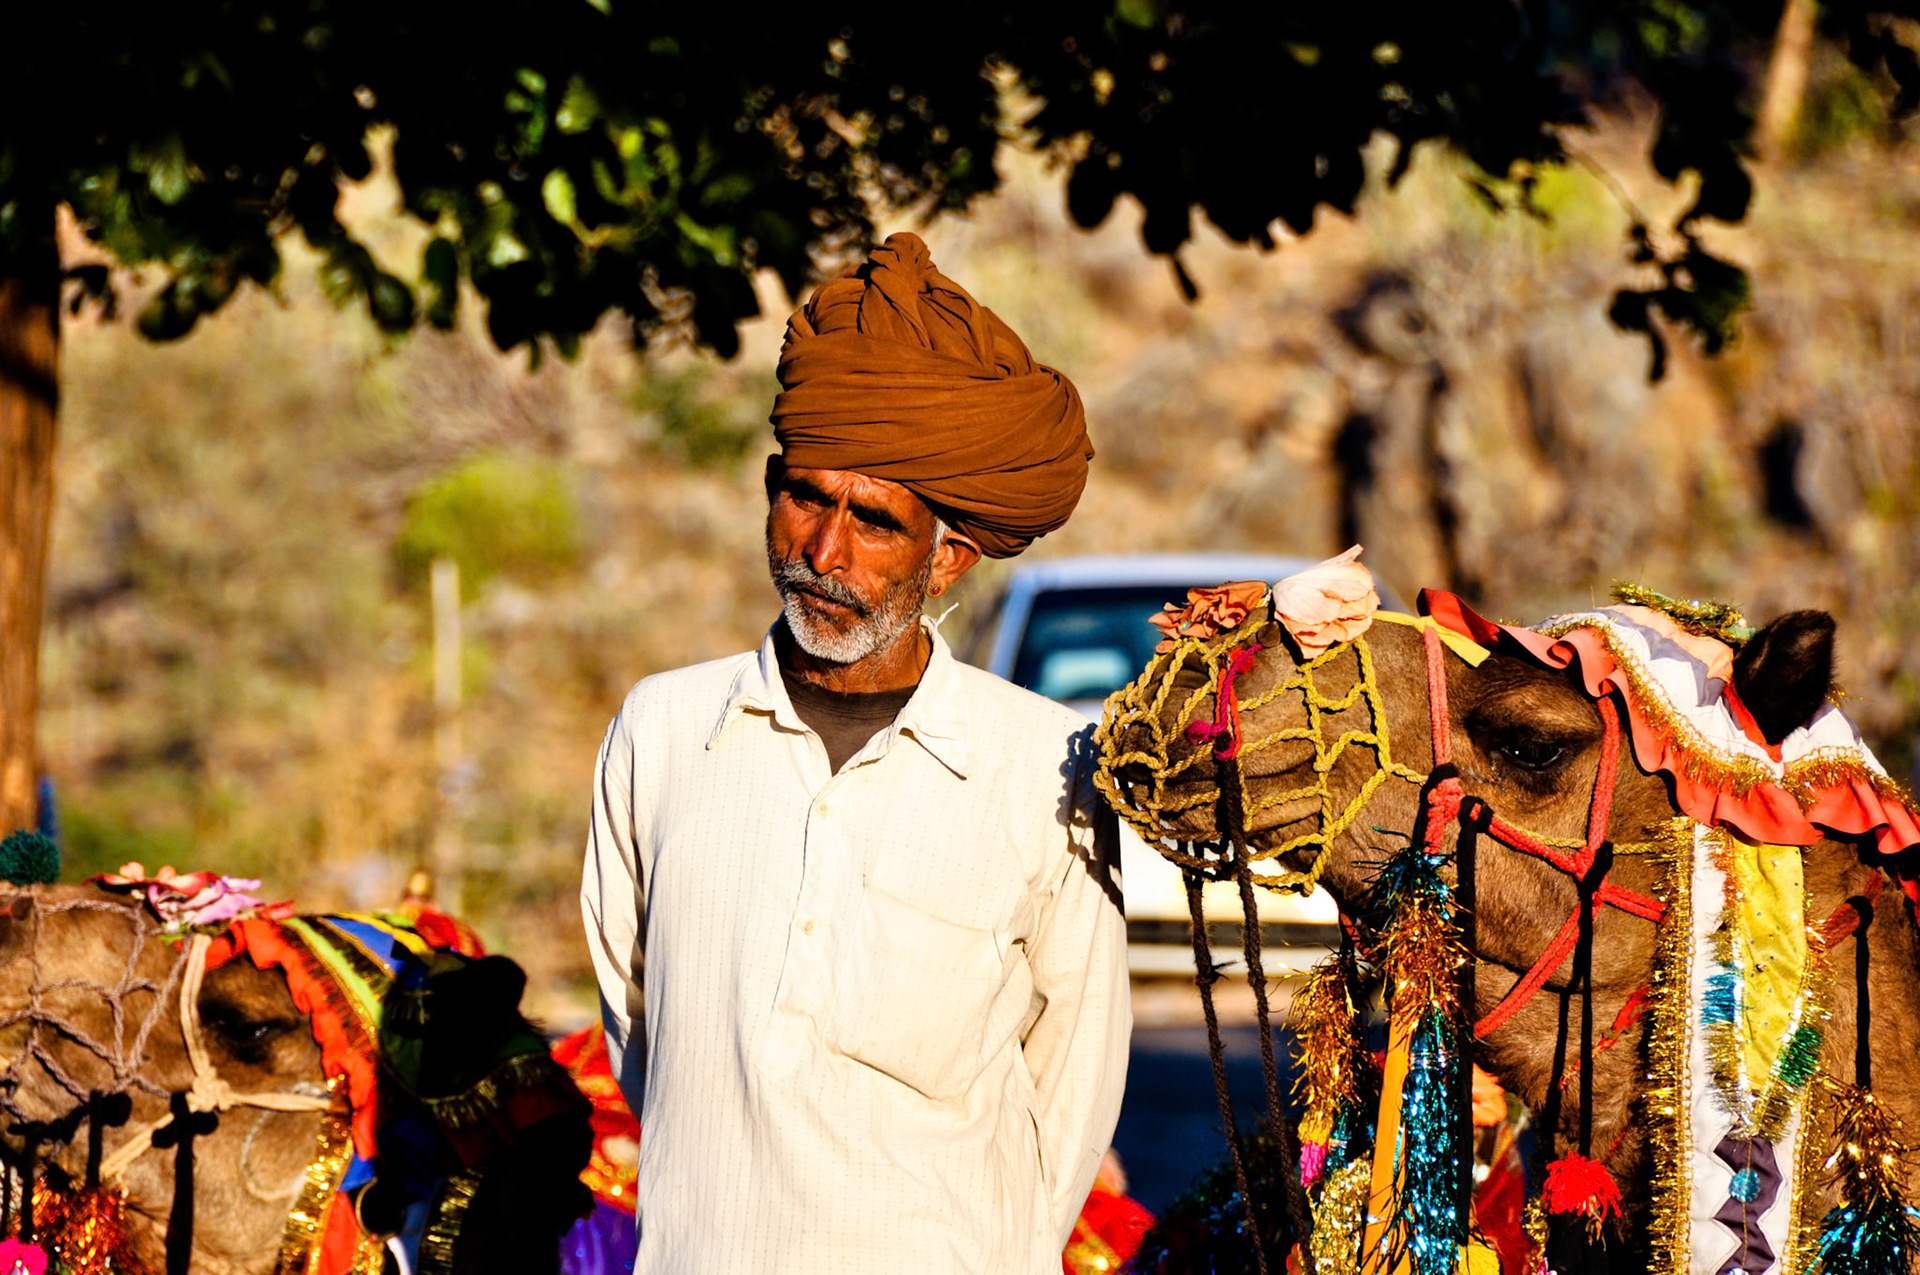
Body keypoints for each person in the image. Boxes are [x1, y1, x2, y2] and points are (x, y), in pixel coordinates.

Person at [580, 232, 1131, 1275]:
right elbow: (638, 1027)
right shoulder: (663, 732)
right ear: (769, 487)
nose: (822, 555)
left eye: (874, 521)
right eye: (804, 498)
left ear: (949, 554)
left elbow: (1074, 1087)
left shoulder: (1042, 765)